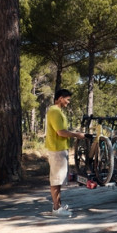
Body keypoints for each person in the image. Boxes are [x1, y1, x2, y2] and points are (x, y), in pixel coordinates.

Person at [45, 88, 85, 216]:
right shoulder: (55, 111)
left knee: (58, 180)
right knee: (56, 180)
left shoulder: (57, 111)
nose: (68, 102)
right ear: (60, 98)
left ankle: (58, 206)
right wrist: (77, 135)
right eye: (67, 99)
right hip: (57, 150)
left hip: (59, 149)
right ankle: (56, 209)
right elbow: (61, 132)